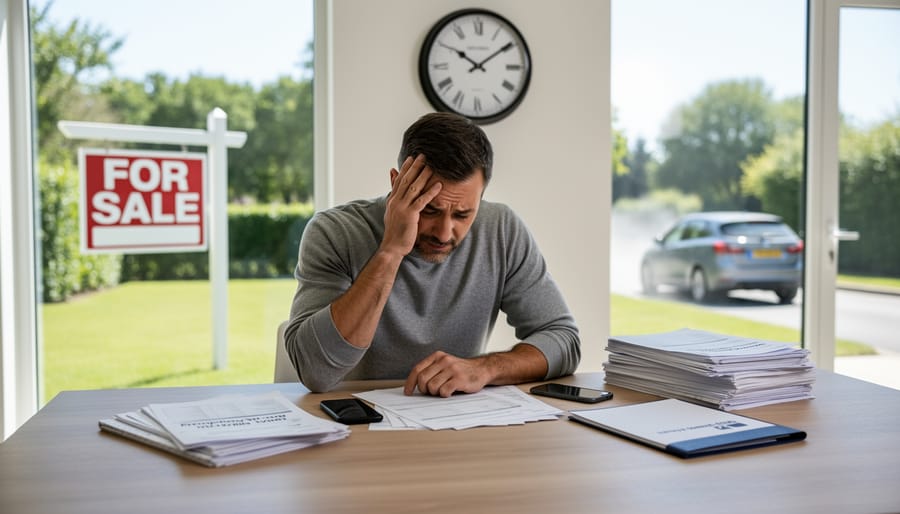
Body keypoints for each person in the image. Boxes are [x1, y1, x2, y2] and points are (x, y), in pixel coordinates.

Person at [284, 112, 580, 397]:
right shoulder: (335, 232)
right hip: (358, 424)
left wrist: (484, 369)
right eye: (429, 209)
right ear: (396, 182)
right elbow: (315, 372)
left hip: (453, 423)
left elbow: (563, 340)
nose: (443, 232)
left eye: (463, 214)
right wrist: (390, 251)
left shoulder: (500, 229)